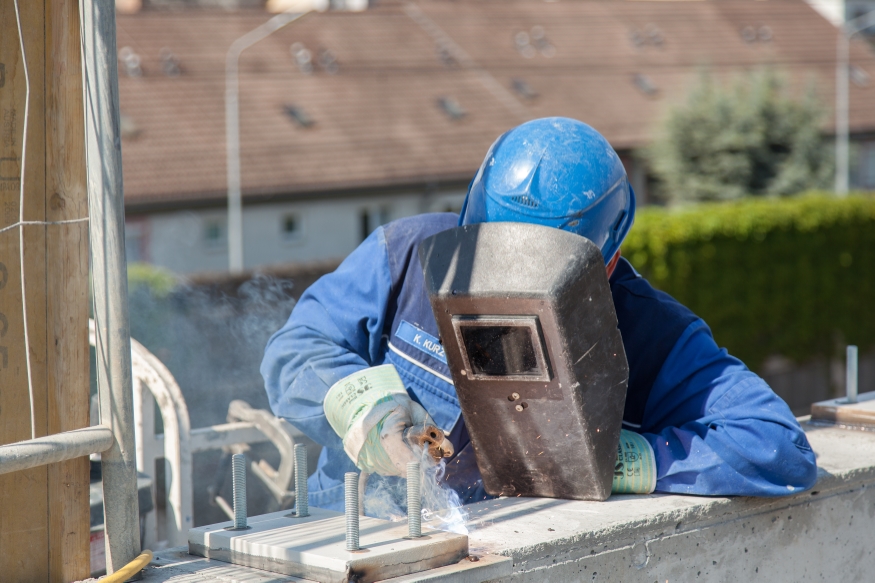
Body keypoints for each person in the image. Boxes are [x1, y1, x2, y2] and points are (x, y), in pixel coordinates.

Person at [261, 117, 818, 511]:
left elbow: (777, 447)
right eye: (489, 248)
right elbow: (298, 347)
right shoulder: (407, 254)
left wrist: (619, 460)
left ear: (608, 260)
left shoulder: (653, 333)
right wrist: (367, 408)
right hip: (350, 537)